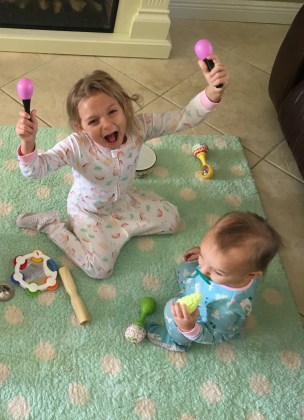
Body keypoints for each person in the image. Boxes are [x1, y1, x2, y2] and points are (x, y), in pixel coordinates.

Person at [15, 58, 229, 279]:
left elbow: (184, 118)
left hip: (124, 202)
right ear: (80, 127)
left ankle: (121, 229)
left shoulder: (139, 126)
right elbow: (34, 170)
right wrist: (28, 142)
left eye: (112, 112)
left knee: (173, 221)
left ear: (125, 107)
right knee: (99, 270)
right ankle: (51, 225)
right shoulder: (75, 145)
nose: (107, 124)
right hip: (88, 212)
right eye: (93, 121)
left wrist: (213, 91)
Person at [145, 211, 282, 352]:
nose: (203, 270)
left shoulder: (229, 307)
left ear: (251, 274)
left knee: (171, 309)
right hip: (201, 289)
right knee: (185, 267)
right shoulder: (242, 270)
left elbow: (211, 335)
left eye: (218, 271)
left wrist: (189, 328)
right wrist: (206, 255)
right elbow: (219, 260)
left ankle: (178, 343)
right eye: (203, 256)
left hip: (206, 320)